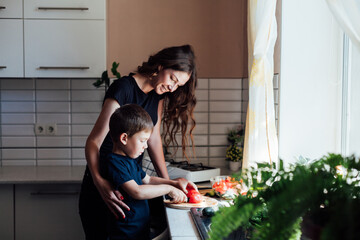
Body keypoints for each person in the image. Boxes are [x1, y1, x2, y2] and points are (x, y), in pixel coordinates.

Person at [79, 44, 198, 240]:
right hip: (103, 182)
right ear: (160, 66)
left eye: (178, 85)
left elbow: (154, 139)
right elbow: (94, 141)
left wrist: (172, 184)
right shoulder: (123, 88)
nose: (172, 87)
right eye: (172, 79)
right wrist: (99, 182)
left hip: (129, 181)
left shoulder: (158, 96)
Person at [102, 104, 188, 239]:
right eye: (142, 140)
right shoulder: (115, 163)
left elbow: (148, 179)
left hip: (140, 230)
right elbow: (137, 191)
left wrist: (174, 183)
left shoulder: (129, 160)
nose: (146, 146)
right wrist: (168, 188)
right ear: (124, 138)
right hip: (125, 234)